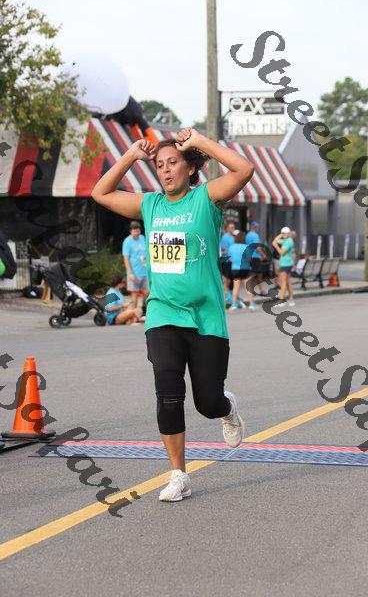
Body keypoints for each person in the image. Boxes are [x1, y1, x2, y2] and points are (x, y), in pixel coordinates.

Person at [91, 127, 254, 502]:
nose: (165, 170)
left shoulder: (206, 199)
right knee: (167, 392)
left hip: (206, 318)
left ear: (189, 167)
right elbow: (100, 192)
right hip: (162, 314)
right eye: (159, 165)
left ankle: (226, 408)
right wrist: (131, 156)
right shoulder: (150, 205)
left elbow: (244, 169)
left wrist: (198, 141)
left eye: (172, 163)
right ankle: (178, 475)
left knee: (207, 402)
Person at [228, 231, 258, 311]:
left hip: (235, 269)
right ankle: (252, 304)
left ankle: (234, 304)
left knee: (235, 287)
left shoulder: (231, 247)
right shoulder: (246, 247)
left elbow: (230, 259)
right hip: (246, 268)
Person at [122, 221, 149, 309]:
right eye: (134, 231)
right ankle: (133, 312)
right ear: (131, 231)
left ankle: (143, 308)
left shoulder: (142, 238)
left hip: (145, 271)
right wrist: (130, 273)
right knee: (135, 294)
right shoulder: (127, 241)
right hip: (134, 273)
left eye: (138, 231)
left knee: (148, 292)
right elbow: (126, 259)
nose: (137, 233)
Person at [272, 226, 295, 307]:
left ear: (288, 234)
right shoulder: (286, 240)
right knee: (288, 282)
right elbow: (274, 242)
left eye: (285, 233)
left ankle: (282, 300)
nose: (283, 235)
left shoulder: (288, 241)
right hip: (286, 263)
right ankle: (291, 299)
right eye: (282, 233)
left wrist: (277, 246)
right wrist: (280, 235)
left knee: (283, 282)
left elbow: (282, 253)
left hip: (286, 264)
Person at [220, 222, 236, 301]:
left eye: (234, 227)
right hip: (226, 260)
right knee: (226, 277)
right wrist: (229, 257)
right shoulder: (225, 237)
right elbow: (224, 249)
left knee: (232, 277)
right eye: (232, 227)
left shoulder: (233, 237)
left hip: (233, 260)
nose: (233, 229)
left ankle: (232, 293)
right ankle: (227, 294)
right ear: (228, 229)